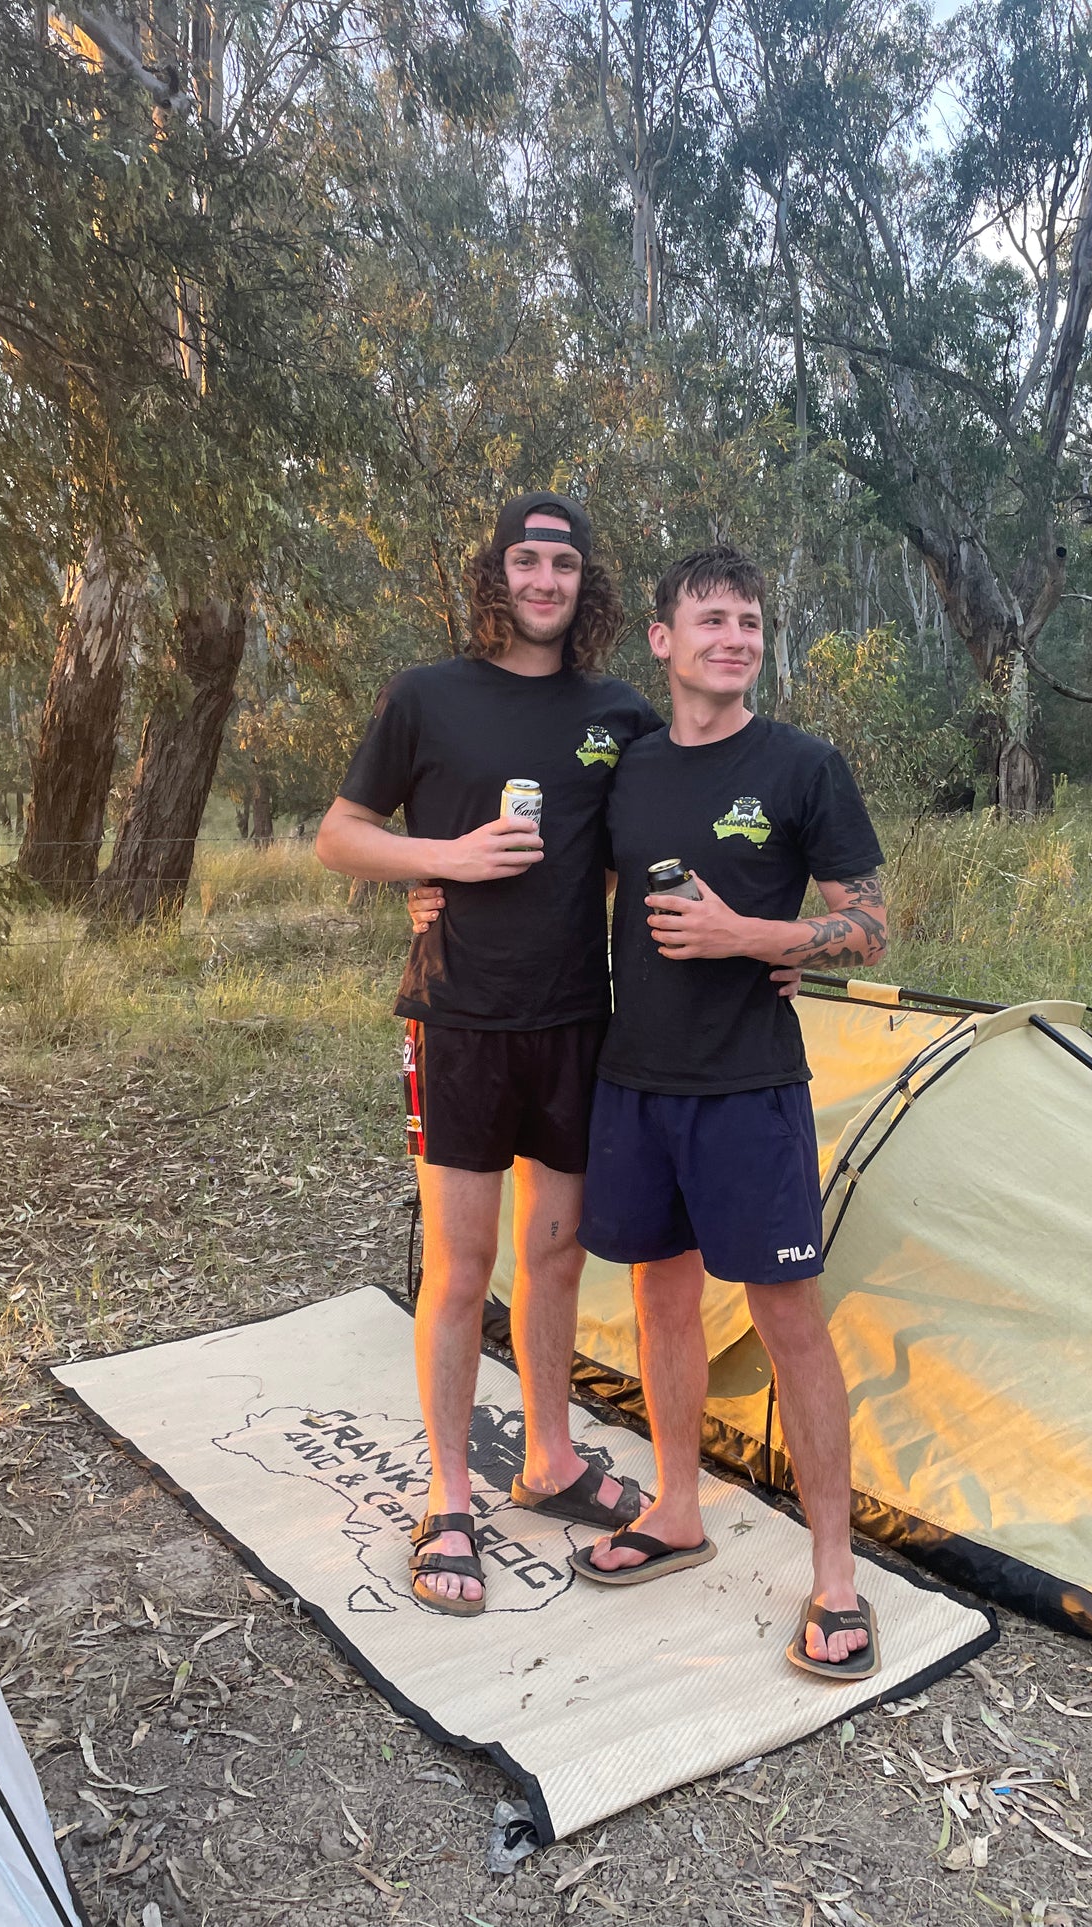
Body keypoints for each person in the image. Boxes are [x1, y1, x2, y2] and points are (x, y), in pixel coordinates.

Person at [314, 492, 664, 1617]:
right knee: (461, 1267)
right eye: (526, 560)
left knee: (555, 1256)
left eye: (564, 564)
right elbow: (339, 836)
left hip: (575, 1021)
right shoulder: (426, 695)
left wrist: (771, 939)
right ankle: (448, 1494)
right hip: (458, 1018)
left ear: (584, 583)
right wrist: (444, 859)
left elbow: (636, 850)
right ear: (496, 575)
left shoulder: (619, 712)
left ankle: (550, 1461)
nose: (544, 580)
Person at [570, 544, 888, 1682]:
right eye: (711, 619)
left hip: (750, 1086)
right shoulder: (630, 770)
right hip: (636, 1081)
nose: (735, 638)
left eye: (749, 622)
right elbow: (576, 880)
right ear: (662, 640)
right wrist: (430, 887)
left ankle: (835, 1577)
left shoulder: (802, 765)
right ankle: (674, 1509)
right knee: (659, 1300)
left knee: (788, 1318)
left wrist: (752, 937)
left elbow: (868, 926)